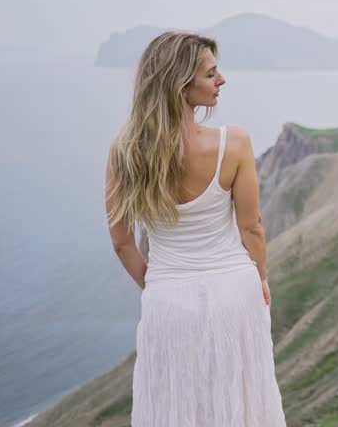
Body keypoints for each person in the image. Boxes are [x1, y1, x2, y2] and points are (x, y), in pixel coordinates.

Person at [104, 31, 287, 426]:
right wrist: (262, 279)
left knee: (177, 406)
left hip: (168, 301)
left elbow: (121, 241)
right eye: (211, 74)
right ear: (180, 84)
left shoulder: (125, 151)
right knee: (242, 402)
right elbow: (251, 226)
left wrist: (159, 283)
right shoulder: (233, 143)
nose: (222, 80)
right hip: (236, 292)